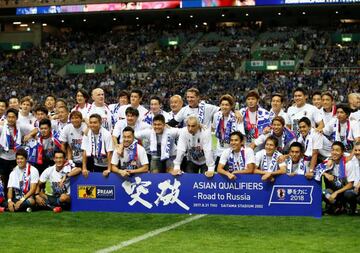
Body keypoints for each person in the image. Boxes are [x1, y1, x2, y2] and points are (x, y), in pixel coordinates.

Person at [317, 142, 358, 214]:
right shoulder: (329, 161)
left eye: (337, 150)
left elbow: (351, 184)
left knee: (349, 194)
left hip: (346, 190)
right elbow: (317, 169)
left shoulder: (348, 163)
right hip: (335, 190)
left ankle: (350, 207)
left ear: (342, 152)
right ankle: (337, 206)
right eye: (332, 150)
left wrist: (336, 192)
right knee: (324, 193)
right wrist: (325, 174)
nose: (334, 152)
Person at [0, 108, 25, 193]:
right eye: (9, 117)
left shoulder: (20, 126)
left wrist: (28, 136)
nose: (11, 119)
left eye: (13, 117)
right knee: (3, 179)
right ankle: (3, 198)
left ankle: (13, 198)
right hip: (3, 157)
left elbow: (35, 129)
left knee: (14, 179)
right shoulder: (1, 127)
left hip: (15, 158)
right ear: (6, 117)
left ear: (16, 118)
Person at [212, 94, 241, 165]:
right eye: (222, 104)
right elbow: (215, 128)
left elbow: (240, 135)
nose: (224, 107)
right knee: (218, 173)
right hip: (219, 151)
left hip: (232, 151)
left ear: (231, 106)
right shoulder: (216, 115)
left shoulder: (236, 117)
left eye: (227, 105)